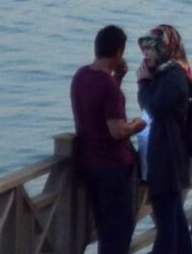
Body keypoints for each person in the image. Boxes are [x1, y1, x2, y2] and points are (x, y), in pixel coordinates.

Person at [72, 26, 145, 254]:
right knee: (119, 230)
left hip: (88, 163)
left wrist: (118, 78)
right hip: (112, 167)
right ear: (118, 52)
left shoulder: (81, 76)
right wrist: (136, 125)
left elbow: (100, 109)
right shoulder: (108, 87)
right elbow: (116, 130)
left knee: (105, 228)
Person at [136, 26, 192, 254]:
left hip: (167, 158)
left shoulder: (173, 76)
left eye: (151, 49)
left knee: (166, 222)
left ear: (166, 48)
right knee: (173, 215)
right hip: (165, 156)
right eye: (144, 49)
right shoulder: (166, 74)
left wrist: (143, 83)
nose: (145, 54)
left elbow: (153, 107)